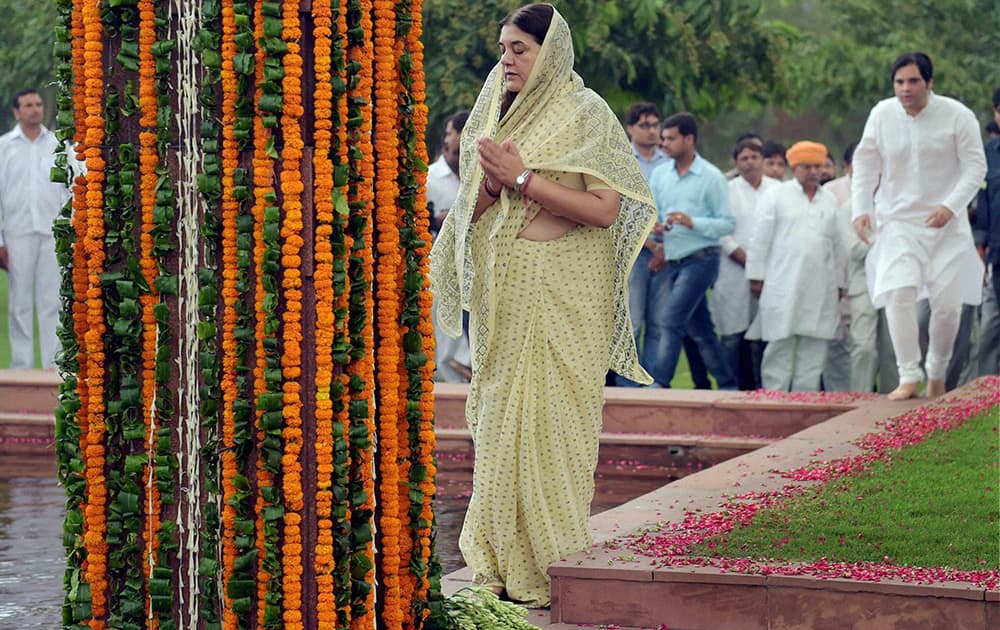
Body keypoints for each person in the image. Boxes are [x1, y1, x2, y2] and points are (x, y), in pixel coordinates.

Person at [429, 3, 656, 607]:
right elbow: (466, 220)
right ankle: (501, 563)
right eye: (503, 49)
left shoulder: (587, 113)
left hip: (566, 294)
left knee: (556, 425)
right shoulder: (499, 119)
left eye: (519, 49)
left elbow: (607, 207)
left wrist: (526, 179)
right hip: (508, 296)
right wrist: (498, 184)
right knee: (502, 426)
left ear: (549, 52)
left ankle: (556, 559)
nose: (506, 60)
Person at [852, 52, 986, 400]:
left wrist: (950, 206)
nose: (905, 89)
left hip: (946, 225)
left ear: (929, 82)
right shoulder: (882, 114)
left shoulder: (958, 116)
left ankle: (937, 373)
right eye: (899, 82)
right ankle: (908, 375)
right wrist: (861, 208)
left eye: (913, 81)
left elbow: (975, 168)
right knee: (899, 292)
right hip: (898, 222)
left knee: (946, 307)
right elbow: (866, 162)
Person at [647, 112, 737, 389]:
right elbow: (654, 214)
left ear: (690, 139)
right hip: (673, 260)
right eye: (663, 138)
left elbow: (728, 224)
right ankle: (728, 384)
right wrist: (657, 228)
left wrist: (691, 221)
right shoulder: (661, 175)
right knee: (701, 331)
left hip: (702, 260)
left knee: (670, 319)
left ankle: (659, 382)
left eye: (671, 138)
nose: (664, 144)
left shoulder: (710, 177)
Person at [747, 141, 845, 391]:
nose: (814, 171)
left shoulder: (829, 200)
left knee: (814, 349)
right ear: (794, 167)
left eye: (818, 166)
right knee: (779, 344)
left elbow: (838, 246)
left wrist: (841, 282)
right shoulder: (776, 196)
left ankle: (805, 404)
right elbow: (760, 239)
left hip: (821, 286)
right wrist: (756, 276)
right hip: (782, 282)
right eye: (806, 166)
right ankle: (773, 402)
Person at [0, 89, 71, 369]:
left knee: (52, 300)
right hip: (17, 233)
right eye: (28, 105)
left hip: (51, 232)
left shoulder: (58, 145)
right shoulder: (4, 147)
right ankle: (22, 367)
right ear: (17, 111)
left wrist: (68, 230)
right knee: (19, 303)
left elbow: (69, 192)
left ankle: (54, 367)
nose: (34, 110)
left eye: (38, 104)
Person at [707, 137, 778, 389]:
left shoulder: (776, 189)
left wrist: (761, 266)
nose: (749, 163)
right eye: (744, 158)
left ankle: (765, 389)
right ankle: (732, 389)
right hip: (732, 269)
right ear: (736, 163)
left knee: (766, 335)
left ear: (763, 160)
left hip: (770, 272)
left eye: (754, 157)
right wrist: (745, 259)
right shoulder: (727, 190)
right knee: (732, 336)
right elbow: (719, 230)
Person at [617, 102, 668, 387]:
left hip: (665, 251)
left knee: (659, 323)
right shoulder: (622, 158)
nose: (652, 131)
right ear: (630, 128)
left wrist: (662, 246)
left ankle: (654, 383)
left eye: (655, 124)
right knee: (632, 321)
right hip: (633, 251)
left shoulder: (667, 161)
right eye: (644, 125)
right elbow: (621, 210)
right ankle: (627, 384)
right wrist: (648, 243)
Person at [428, 110, 473, 382]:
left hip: (475, 268)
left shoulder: (479, 176)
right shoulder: (430, 178)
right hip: (439, 270)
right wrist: (437, 221)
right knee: (443, 336)